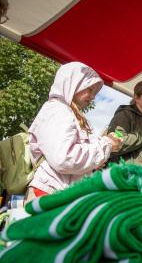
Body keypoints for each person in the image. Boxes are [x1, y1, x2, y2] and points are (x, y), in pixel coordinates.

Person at [27, 62, 121, 199]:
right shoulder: (58, 111)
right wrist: (105, 145)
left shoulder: (64, 112)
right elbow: (64, 159)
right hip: (49, 194)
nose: (93, 96)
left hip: (56, 192)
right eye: (89, 89)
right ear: (72, 83)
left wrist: (92, 165)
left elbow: (69, 158)